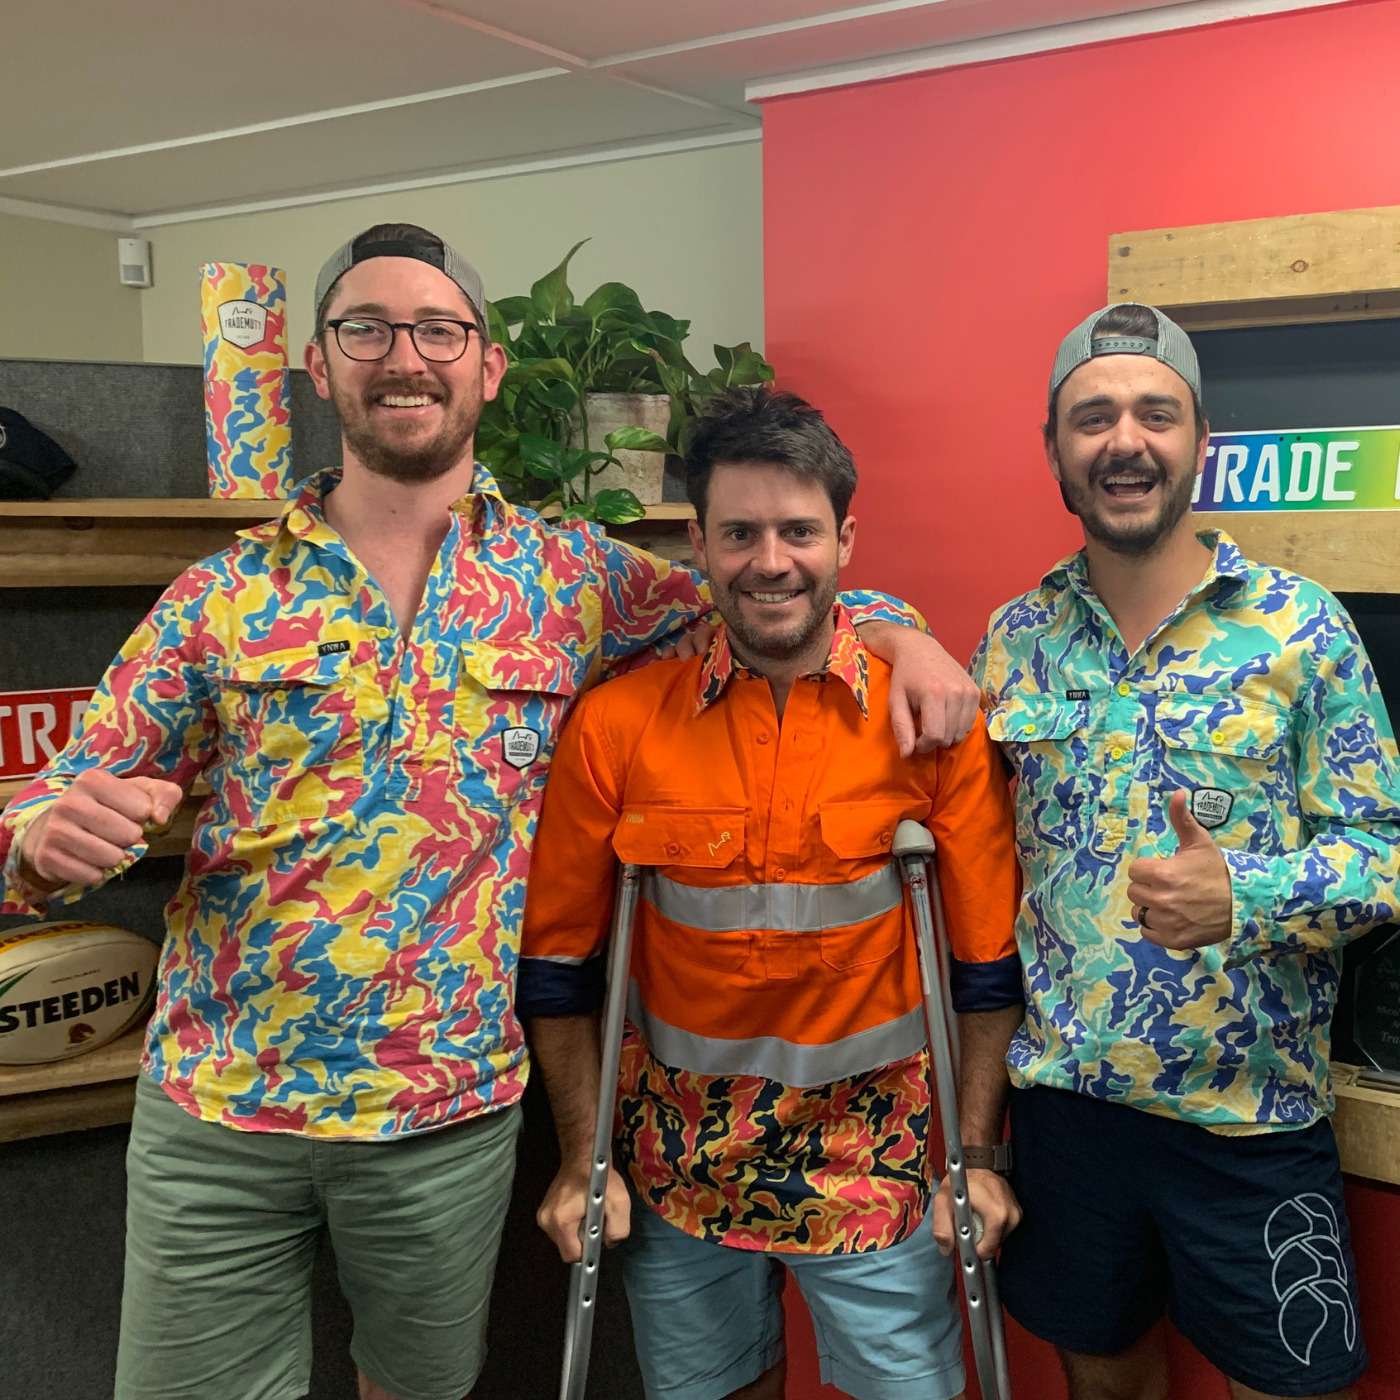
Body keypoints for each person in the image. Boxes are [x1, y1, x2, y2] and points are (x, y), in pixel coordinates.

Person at [0, 224, 979, 1400]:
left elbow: (764, 596)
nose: (402, 356)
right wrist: (39, 839)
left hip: (446, 1110)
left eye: (436, 330)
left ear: (486, 364)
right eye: (366, 328)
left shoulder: (570, 577)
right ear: (319, 362)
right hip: (222, 1102)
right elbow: (55, 801)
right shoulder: (222, 593)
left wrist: (898, 630)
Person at [520, 385, 1024, 1400]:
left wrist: (976, 1156)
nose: (770, 560)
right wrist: (581, 1158)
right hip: (676, 1167)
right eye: (739, 532)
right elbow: (558, 970)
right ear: (698, 544)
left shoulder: (929, 722)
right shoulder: (619, 725)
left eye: (798, 530)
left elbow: (983, 970)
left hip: (877, 1165)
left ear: (845, 540)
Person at [974, 302, 1400, 1400]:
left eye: (1154, 414)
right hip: (1068, 1112)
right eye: (1093, 418)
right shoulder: (1016, 639)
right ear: (1054, 451)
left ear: (1199, 440)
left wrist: (1244, 895)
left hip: (1248, 1121)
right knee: (1104, 1379)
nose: (1125, 440)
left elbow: (1386, 851)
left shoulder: (1300, 628)